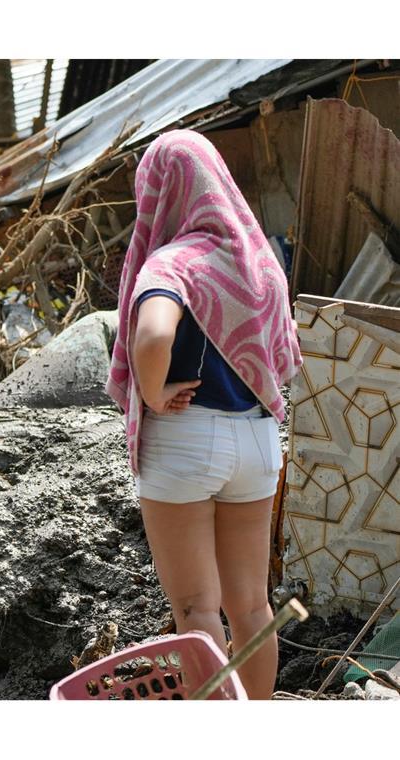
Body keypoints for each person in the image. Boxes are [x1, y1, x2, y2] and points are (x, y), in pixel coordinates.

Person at [106, 130, 302, 699]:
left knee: (197, 610)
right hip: (259, 441)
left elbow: (152, 335)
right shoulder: (261, 261)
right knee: (252, 603)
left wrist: (151, 390)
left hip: (186, 440)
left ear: (161, 190)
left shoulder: (173, 261)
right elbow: (284, 354)